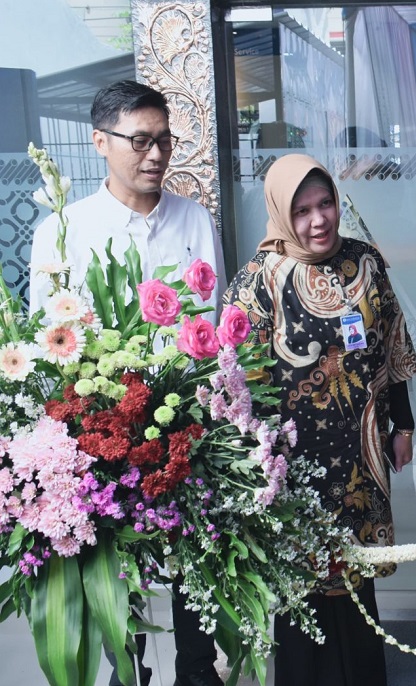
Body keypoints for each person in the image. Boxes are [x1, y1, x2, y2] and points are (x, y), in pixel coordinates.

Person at [29, 80, 225, 686]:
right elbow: (47, 341)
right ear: (100, 142)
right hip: (102, 424)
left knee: (196, 552)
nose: (156, 154)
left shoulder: (194, 219)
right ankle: (128, 669)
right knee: (117, 562)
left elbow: (213, 322)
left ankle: (198, 671)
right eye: (140, 141)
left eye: (163, 140)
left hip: (184, 418)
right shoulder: (64, 229)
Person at [224, 153, 416, 686]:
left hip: (360, 450)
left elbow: (393, 346)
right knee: (301, 575)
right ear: (281, 213)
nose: (318, 220)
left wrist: (402, 427)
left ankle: (362, 675)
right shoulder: (257, 280)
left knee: (355, 568)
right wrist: (251, 459)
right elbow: (236, 380)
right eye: (302, 210)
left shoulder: (365, 261)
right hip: (292, 458)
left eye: (326, 203)